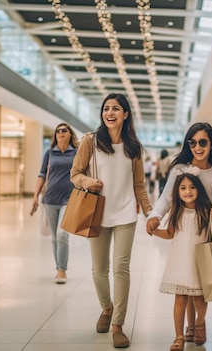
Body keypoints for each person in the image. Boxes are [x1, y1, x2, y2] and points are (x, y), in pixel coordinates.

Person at [70, 93, 153, 349]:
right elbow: (75, 173)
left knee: (121, 268)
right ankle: (106, 308)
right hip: (97, 210)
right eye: (106, 108)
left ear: (125, 114)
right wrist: (88, 182)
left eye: (116, 108)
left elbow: (139, 185)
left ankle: (118, 324)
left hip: (126, 213)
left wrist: (151, 212)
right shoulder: (90, 142)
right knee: (99, 270)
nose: (110, 113)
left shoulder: (134, 148)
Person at [146, 122, 212, 343]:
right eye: (193, 142)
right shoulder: (179, 170)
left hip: (205, 236)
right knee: (186, 283)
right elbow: (167, 198)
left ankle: (199, 323)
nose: (198, 147)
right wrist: (155, 216)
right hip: (184, 238)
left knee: (202, 286)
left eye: (203, 142)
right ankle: (187, 329)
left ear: (211, 144)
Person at [30, 122, 78, 284]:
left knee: (62, 234)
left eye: (64, 130)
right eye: (58, 131)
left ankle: (62, 270)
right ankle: (58, 267)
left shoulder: (76, 153)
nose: (61, 133)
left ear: (70, 134)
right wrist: (35, 195)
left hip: (69, 200)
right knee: (54, 238)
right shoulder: (50, 153)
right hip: (50, 200)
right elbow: (42, 174)